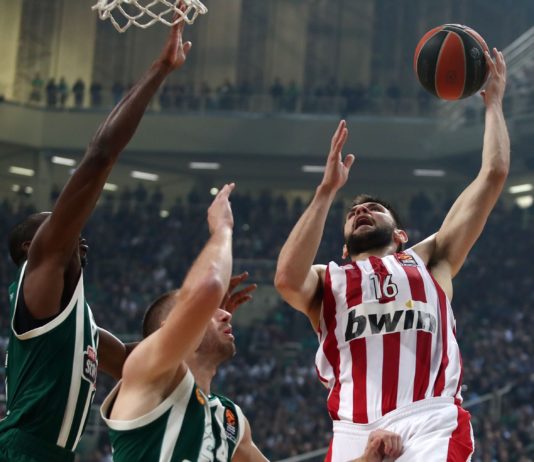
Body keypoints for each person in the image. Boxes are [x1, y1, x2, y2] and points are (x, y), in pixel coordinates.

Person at [275, 48, 508, 462]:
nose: (361, 210)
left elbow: (492, 175)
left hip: (428, 419)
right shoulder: (328, 279)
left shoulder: (431, 259)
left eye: (374, 208)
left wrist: (493, 104)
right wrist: (326, 192)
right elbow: (286, 279)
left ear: (400, 235)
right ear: (343, 247)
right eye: (353, 212)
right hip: (352, 427)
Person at [0, 16, 193, 462]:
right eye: (55, 224)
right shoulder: (42, 269)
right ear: (30, 247)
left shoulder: (78, 319)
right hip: (22, 450)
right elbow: (99, 157)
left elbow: (127, 362)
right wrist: (160, 69)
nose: (76, 233)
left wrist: (198, 318)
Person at [100, 183, 268, 461]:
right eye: (210, 311)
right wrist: (222, 228)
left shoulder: (229, 418)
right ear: (167, 328)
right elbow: (208, 287)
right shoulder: (148, 371)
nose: (227, 315)